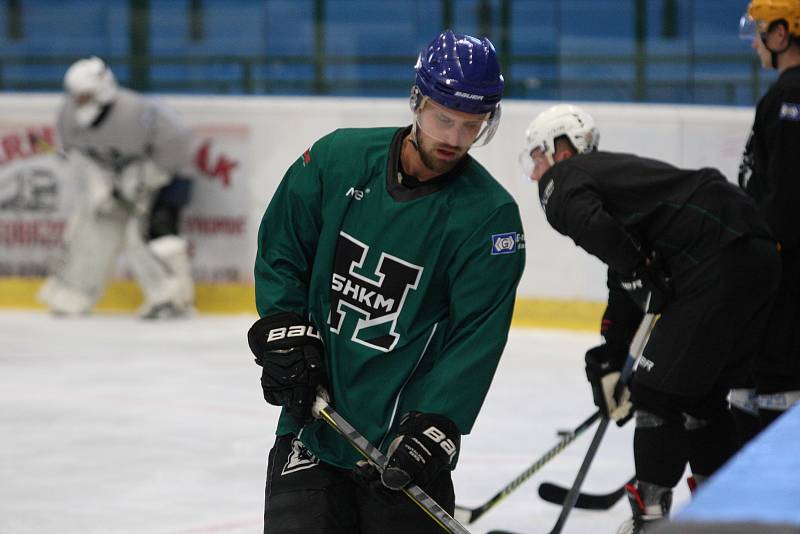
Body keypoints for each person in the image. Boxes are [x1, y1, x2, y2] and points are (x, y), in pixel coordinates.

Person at [247, 30, 525, 533]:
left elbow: (476, 336)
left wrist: (438, 420)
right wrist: (283, 324)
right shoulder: (338, 159)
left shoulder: (490, 217)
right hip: (311, 430)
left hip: (404, 450)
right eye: (444, 118)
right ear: (417, 101)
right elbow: (283, 246)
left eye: (472, 125)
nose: (454, 139)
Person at [521, 104, 779, 533]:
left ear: (561, 149)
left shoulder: (564, 178)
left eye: (537, 159)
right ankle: (725, 518)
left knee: (656, 393)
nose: (536, 175)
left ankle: (651, 520)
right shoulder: (625, 188)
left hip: (716, 255)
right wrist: (611, 354)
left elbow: (608, 244)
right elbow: (621, 281)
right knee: (700, 399)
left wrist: (641, 273)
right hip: (756, 253)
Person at [38, 56, 195, 319]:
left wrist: (141, 182)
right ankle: (73, 295)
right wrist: (100, 187)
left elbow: (176, 150)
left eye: (85, 96)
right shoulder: (68, 115)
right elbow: (78, 156)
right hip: (110, 182)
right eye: (76, 96)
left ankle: (171, 298)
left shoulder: (139, 111)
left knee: (144, 235)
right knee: (90, 231)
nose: (78, 103)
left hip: (156, 182)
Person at [738, 0, 800, 428]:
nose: (756, 41)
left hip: (787, 268)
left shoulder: (790, 96)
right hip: (784, 261)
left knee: (778, 375)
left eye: (761, 30)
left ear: (782, 34)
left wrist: (765, 254)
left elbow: (787, 193)